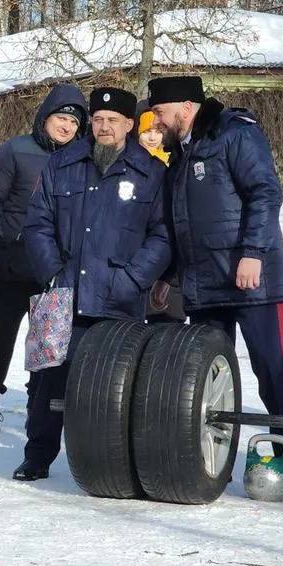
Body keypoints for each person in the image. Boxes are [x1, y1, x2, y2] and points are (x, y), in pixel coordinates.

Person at [148, 74, 283, 495]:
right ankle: (209, 461)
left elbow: (265, 193)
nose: (157, 122)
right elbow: (180, 224)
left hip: (253, 283)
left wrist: (253, 253)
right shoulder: (180, 153)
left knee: (273, 370)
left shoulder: (235, 133)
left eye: (161, 113)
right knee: (206, 380)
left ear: (185, 107)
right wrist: (169, 277)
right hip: (205, 287)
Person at [18, 87, 171, 481]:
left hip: (119, 297)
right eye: (98, 120)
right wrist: (53, 272)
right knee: (48, 382)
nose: (104, 128)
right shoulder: (62, 164)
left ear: (129, 125)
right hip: (63, 293)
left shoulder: (151, 173)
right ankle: (38, 456)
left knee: (113, 387)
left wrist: (134, 278)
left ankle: (107, 461)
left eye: (113, 121)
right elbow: (37, 223)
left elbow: (162, 236)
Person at [0, 84, 86, 434]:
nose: (66, 127)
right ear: (45, 117)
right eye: (61, 118)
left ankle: (38, 401)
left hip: (50, 269)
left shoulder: (80, 157)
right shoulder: (16, 151)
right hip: (10, 262)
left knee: (47, 343)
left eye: (73, 122)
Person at [135, 100, 185, 325]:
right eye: (147, 131)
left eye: (158, 131)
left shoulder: (177, 162)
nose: (153, 137)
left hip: (168, 269)